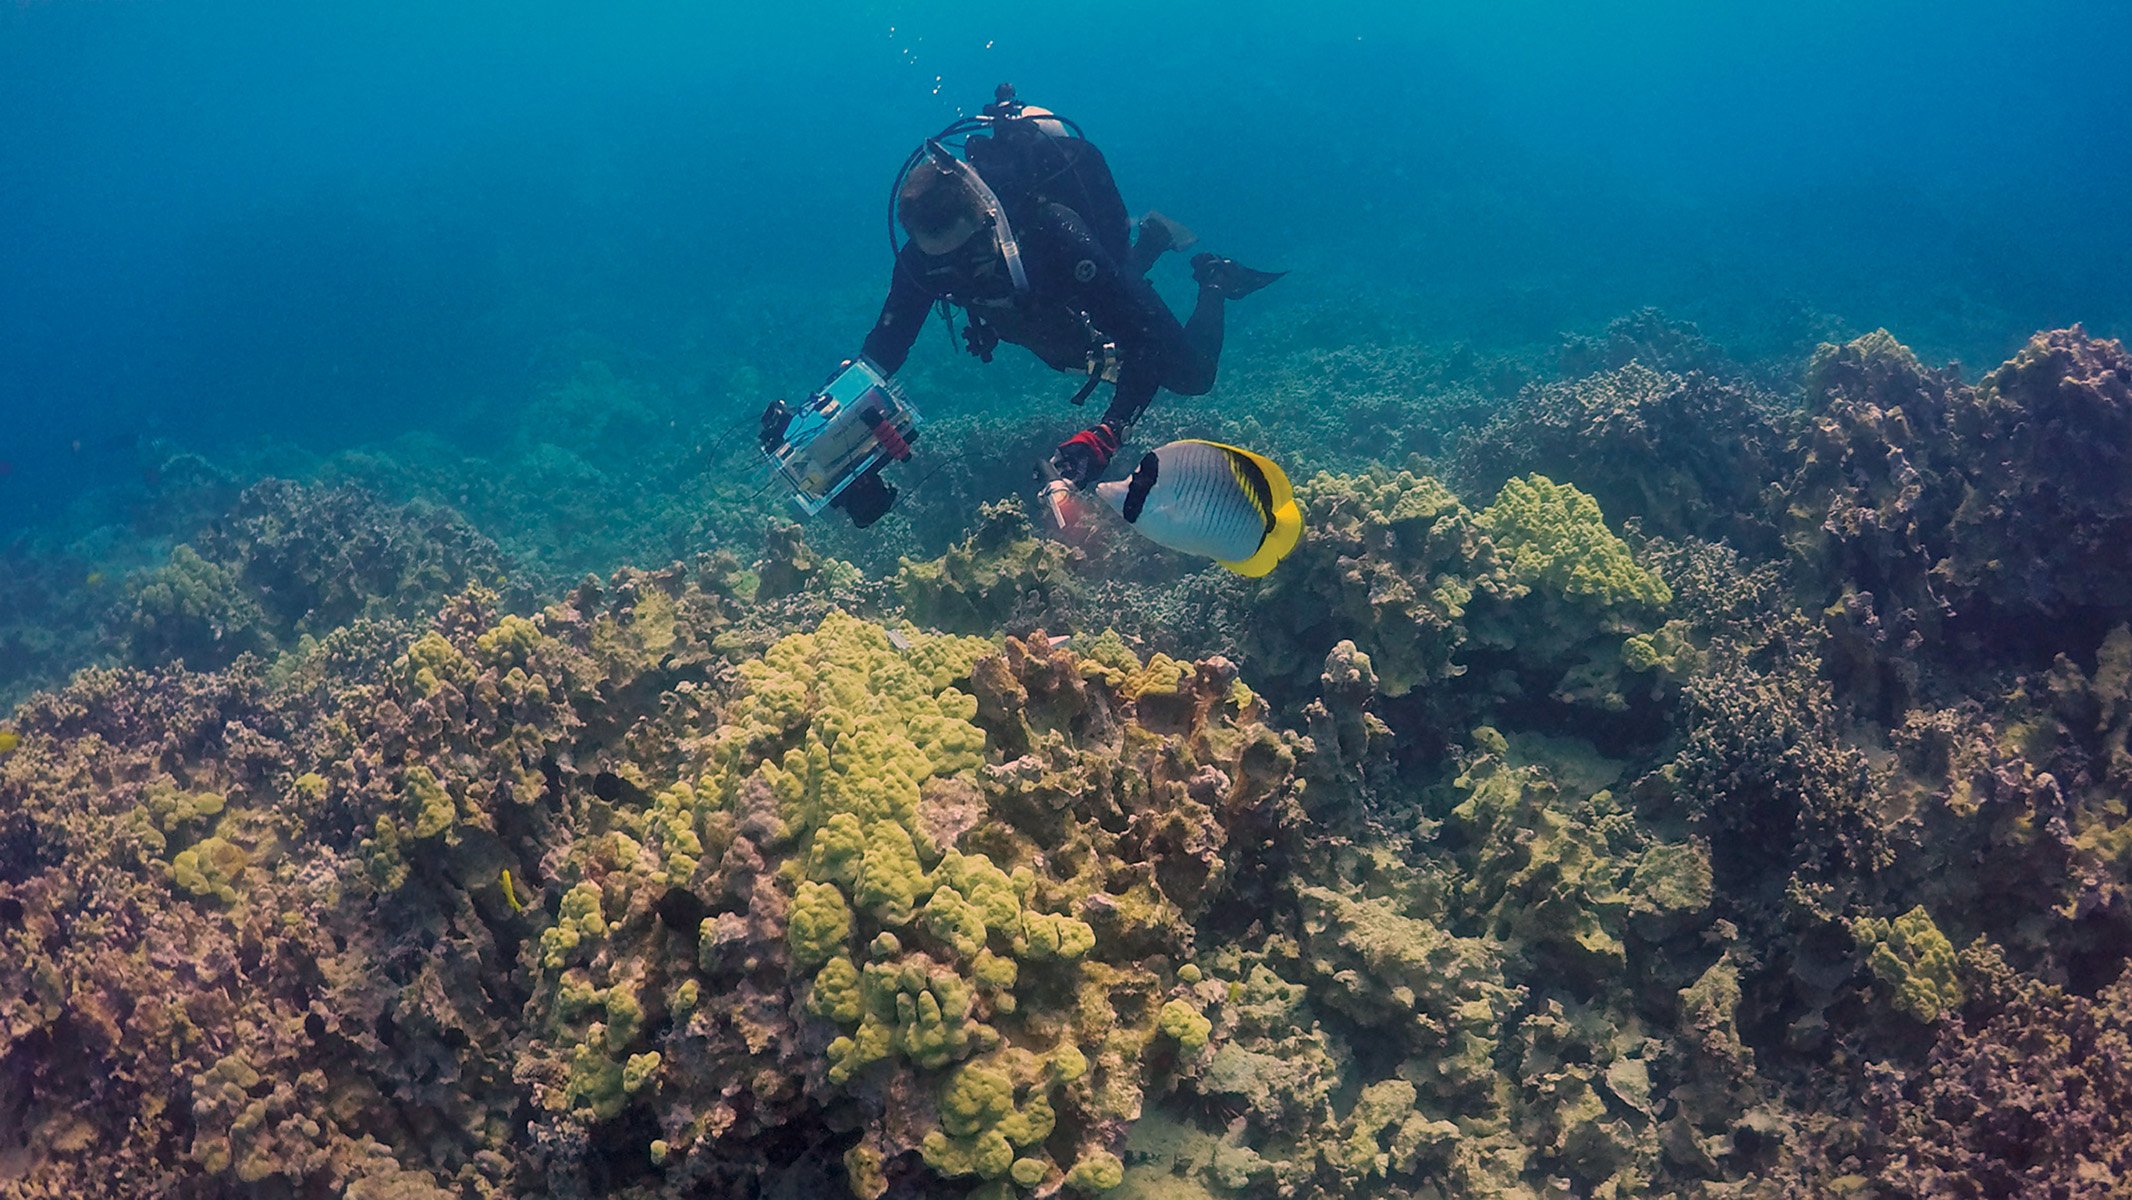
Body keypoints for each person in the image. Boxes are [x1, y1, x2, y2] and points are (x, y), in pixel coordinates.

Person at [847, 86, 1283, 526]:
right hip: (1048, 311)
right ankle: (1150, 239)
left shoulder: (1052, 230)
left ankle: (1215, 278)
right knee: (1068, 343)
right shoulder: (921, 264)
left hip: (1074, 276)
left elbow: (1142, 341)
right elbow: (884, 349)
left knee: (1193, 376)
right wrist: (824, 421)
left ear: (989, 222)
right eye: (941, 260)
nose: (961, 273)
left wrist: (1108, 432)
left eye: (970, 255)